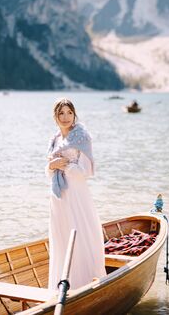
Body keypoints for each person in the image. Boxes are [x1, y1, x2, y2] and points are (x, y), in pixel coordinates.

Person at [45, 98, 106, 294]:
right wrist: (52, 165)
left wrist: (66, 166)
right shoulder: (54, 140)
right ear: (55, 116)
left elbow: (86, 170)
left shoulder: (82, 137)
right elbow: (49, 170)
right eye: (61, 113)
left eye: (69, 113)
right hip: (58, 196)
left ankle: (83, 281)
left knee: (79, 232)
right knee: (61, 235)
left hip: (76, 192)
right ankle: (62, 282)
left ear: (74, 114)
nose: (65, 117)